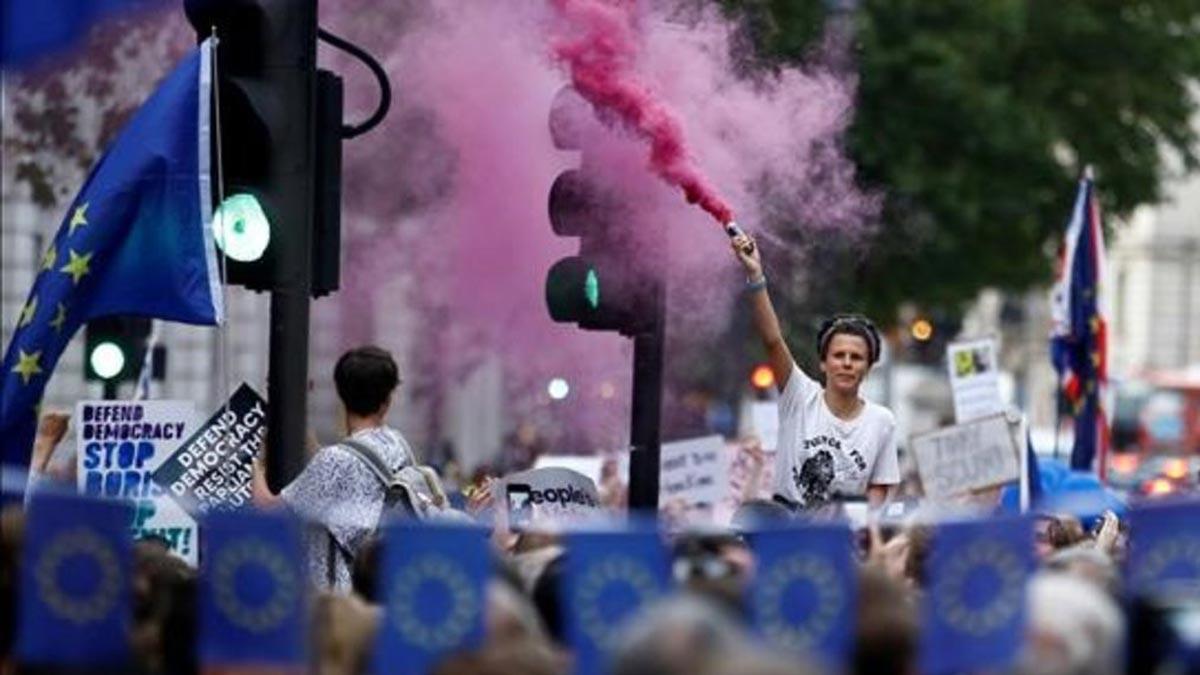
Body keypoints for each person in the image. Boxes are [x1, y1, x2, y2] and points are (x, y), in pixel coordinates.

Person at [730, 232, 900, 512]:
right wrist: (755, 276)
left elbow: (879, 493)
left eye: (856, 357)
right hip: (786, 529)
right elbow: (772, 340)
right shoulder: (800, 395)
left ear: (868, 368)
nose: (846, 363)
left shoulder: (882, 421)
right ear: (823, 363)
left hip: (840, 539)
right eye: (838, 355)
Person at [253, 345, 415, 591]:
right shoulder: (397, 443)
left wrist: (255, 465)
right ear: (387, 401)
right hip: (382, 591)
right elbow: (344, 474)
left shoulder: (334, 462)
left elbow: (269, 509)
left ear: (341, 394)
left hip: (337, 599)